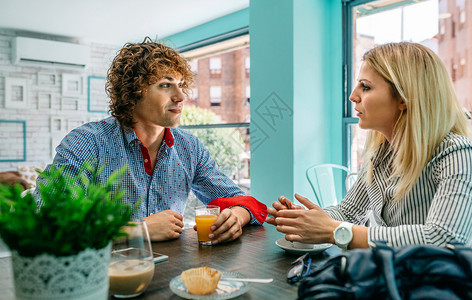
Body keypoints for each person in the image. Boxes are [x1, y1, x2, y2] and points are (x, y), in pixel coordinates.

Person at [35, 37, 267, 243]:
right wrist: (137, 229)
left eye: (181, 85)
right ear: (133, 92)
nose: (180, 96)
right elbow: (47, 220)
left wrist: (236, 216)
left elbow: (245, 201)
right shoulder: (87, 143)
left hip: (171, 276)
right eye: (165, 85)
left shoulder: (189, 147)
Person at [267, 42, 472, 249]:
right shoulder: (380, 154)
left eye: (365, 87)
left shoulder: (455, 153)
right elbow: (348, 212)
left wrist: (335, 231)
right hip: (389, 274)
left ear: (404, 98)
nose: (353, 96)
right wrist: (304, 219)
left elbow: (445, 238)